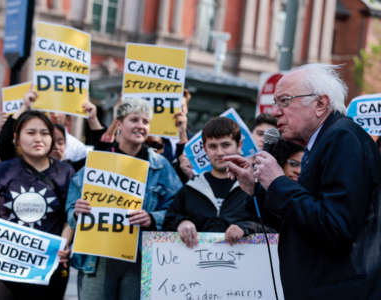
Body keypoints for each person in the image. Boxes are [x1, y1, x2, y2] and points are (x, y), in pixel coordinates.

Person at [225, 64, 381, 299]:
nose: (276, 111)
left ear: (320, 104)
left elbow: (336, 226)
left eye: (285, 101)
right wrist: (256, 188)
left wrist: (278, 181)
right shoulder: (324, 141)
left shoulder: (342, 139)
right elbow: (298, 223)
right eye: (275, 103)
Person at [66, 98, 182, 300]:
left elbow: (178, 207)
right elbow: (71, 209)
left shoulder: (161, 167)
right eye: (134, 119)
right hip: (98, 258)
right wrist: (77, 211)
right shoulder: (98, 161)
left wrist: (153, 218)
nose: (140, 126)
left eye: (145, 122)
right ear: (119, 124)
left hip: (139, 258)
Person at [0, 110, 74, 300]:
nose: (38, 139)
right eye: (31, 132)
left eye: (44, 133)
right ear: (17, 138)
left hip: (47, 266)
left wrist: (64, 245)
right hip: (5, 266)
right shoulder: (2, 170)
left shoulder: (66, 172)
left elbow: (71, 216)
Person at [163, 117, 272, 247]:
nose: (220, 152)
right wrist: (181, 223)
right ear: (204, 149)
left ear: (239, 145)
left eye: (225, 145)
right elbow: (166, 225)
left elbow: (275, 228)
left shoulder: (257, 188)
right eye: (213, 146)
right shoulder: (189, 189)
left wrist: (246, 228)